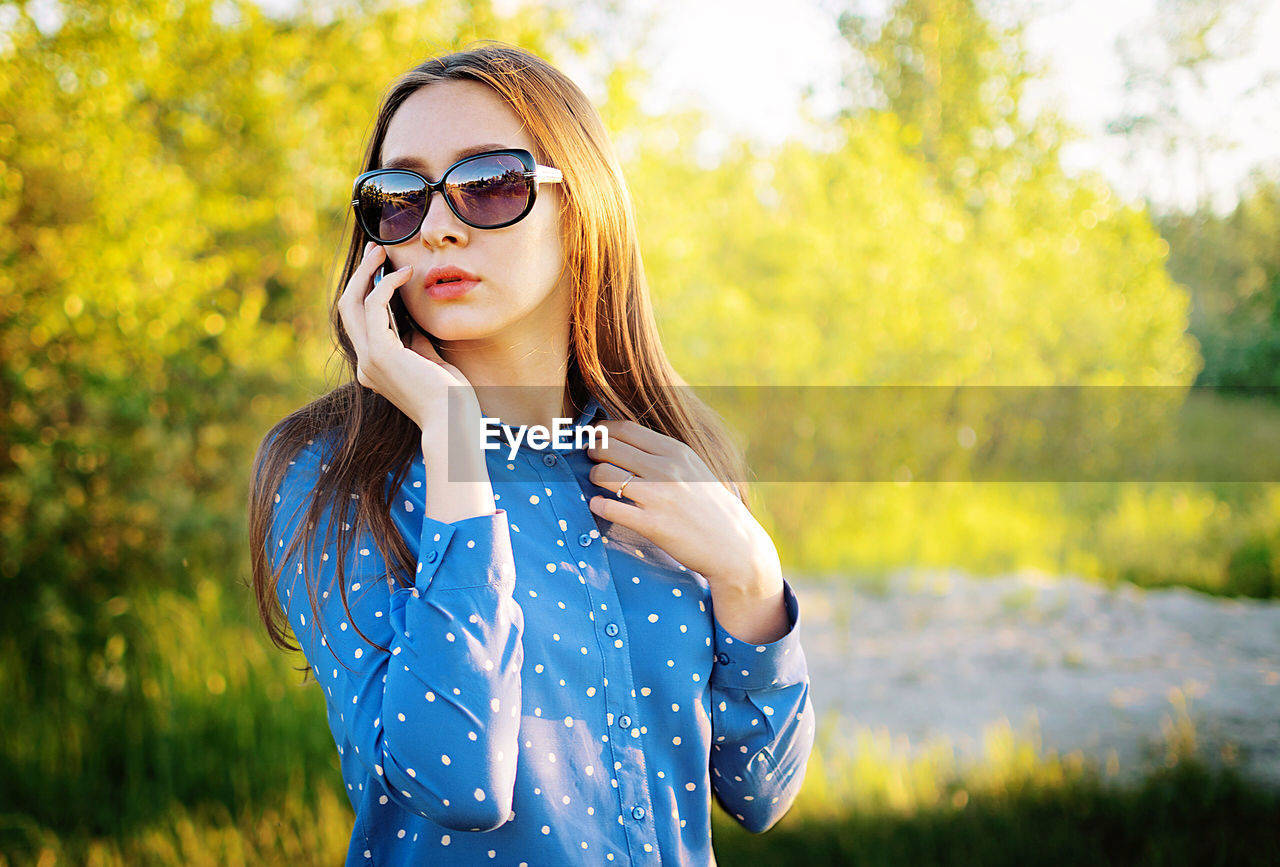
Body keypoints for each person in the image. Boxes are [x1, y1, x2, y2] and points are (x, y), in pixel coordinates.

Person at [248, 42, 814, 865]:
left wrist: (753, 576)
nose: (437, 225)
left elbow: (763, 789)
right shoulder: (329, 475)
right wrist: (452, 437)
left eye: (489, 185)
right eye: (400, 197)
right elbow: (455, 780)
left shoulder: (670, 455)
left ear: (579, 208)